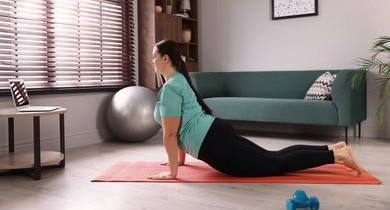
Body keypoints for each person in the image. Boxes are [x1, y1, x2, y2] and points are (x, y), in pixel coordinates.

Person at [149, 39, 363, 180]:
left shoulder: (170, 88)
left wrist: (172, 172)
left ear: (165, 59)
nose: (152, 61)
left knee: (273, 164)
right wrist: (179, 161)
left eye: (154, 56)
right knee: (273, 156)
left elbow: (170, 134)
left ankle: (337, 157)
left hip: (213, 143)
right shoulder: (179, 80)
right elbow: (178, 129)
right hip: (215, 132)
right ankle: (333, 148)